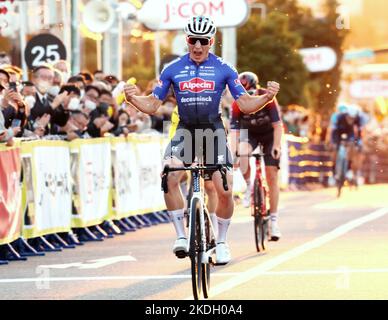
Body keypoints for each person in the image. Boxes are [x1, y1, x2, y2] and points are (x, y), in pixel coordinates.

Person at [124, 16, 280, 265]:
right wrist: (132, 99)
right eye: (192, 40)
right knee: (169, 174)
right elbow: (153, 104)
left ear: (211, 41)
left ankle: (221, 241)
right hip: (185, 130)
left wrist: (267, 98)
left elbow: (246, 103)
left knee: (224, 186)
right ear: (186, 40)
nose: (197, 46)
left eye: (203, 41)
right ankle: (180, 236)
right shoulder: (172, 69)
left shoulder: (225, 68)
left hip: (213, 130)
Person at [230, 71, 283, 241]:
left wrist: (276, 146)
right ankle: (248, 187)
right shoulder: (237, 103)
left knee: (271, 174)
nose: (249, 99)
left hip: (269, 135)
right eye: (246, 95)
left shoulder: (267, 98)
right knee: (242, 151)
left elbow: (277, 126)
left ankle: (274, 221)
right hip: (249, 134)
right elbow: (234, 132)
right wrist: (234, 153)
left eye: (251, 94)